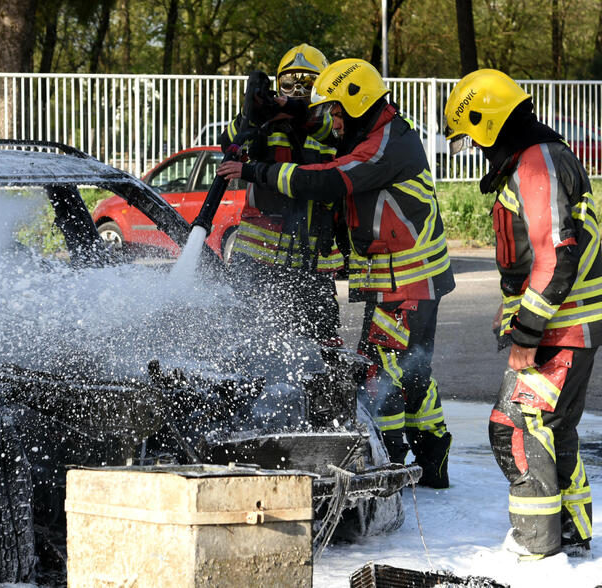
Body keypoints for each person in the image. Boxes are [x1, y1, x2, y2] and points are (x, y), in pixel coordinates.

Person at [218, 58, 455, 488]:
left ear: (356, 102)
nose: (333, 120)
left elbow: (327, 179)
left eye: (337, 111)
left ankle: (388, 471)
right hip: (400, 281)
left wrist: (256, 171)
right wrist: (267, 116)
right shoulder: (379, 133)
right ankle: (434, 468)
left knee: (381, 374)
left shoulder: (382, 146)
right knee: (411, 372)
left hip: (406, 283)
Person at [444, 69, 601, 560]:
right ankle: (572, 537)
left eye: (470, 134)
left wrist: (527, 332)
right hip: (565, 322)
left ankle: (537, 549)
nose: (472, 146)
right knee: (553, 431)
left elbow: (556, 256)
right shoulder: (536, 157)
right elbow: (533, 259)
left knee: (514, 426)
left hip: (561, 326)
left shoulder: (536, 163)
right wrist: (511, 310)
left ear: (487, 122)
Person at [218, 43, 345, 345]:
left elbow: (324, 126)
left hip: (313, 261)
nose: (298, 89)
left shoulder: (330, 122)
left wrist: (293, 110)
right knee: (249, 338)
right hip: (258, 258)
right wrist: (251, 112)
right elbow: (230, 143)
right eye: (290, 82)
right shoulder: (263, 122)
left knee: (320, 345)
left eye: (307, 81)